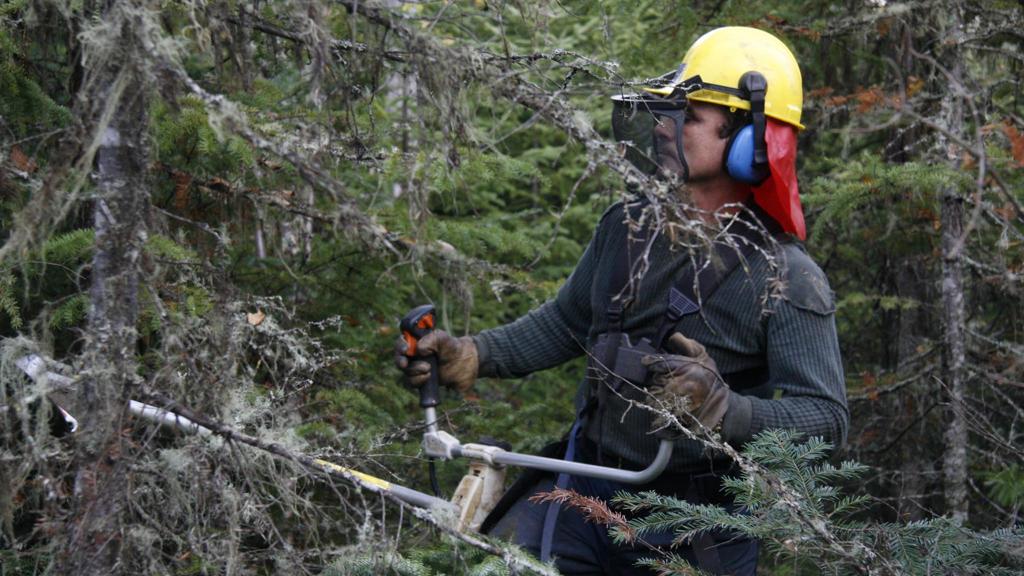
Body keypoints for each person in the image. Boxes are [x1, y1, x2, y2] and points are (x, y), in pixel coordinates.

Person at [395, 26, 848, 575]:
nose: (662, 125)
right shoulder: (627, 226)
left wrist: (732, 411)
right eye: (664, 112)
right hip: (582, 493)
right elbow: (568, 323)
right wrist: (475, 355)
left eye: (688, 115)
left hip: (693, 528)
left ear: (749, 138)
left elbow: (825, 418)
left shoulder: (786, 276)